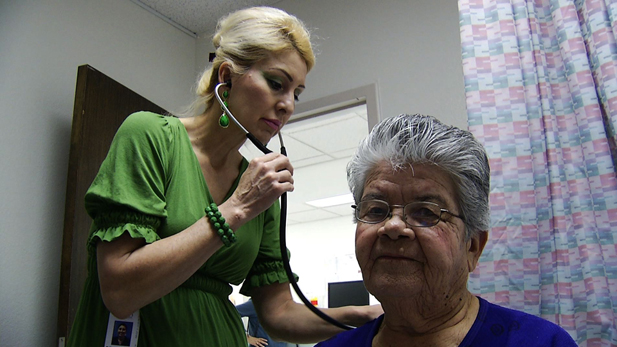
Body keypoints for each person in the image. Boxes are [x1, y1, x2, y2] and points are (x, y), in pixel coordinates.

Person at [66, 6, 381, 346]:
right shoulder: (150, 136)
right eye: (277, 84)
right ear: (226, 77)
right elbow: (119, 291)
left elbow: (278, 315)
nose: (288, 104)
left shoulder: (263, 191)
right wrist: (237, 208)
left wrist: (361, 316)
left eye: (296, 93)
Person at [315, 114, 578, 346]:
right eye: (375, 210)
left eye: (425, 212)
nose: (393, 226)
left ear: (473, 246)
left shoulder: (541, 342)